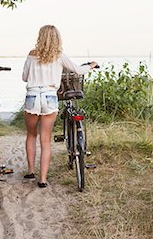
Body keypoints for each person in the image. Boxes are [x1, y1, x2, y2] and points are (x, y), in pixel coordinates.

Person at [22, 25, 98, 188]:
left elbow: (24, 77)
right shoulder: (59, 56)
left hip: (32, 96)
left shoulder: (31, 55)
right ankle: (42, 179)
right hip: (49, 96)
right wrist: (91, 65)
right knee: (46, 140)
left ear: (40, 37)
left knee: (31, 135)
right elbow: (78, 70)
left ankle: (30, 171)